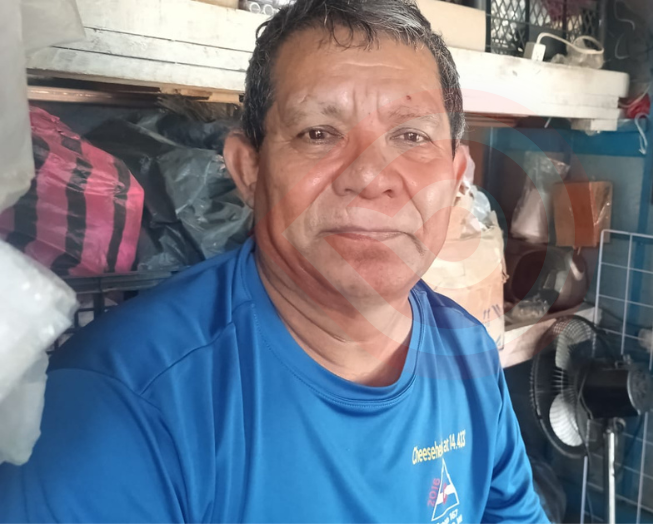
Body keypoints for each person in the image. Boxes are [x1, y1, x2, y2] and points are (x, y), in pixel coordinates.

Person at [0, 0, 548, 521]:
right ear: (249, 171)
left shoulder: (468, 353)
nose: (370, 175)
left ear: (454, 178)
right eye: (318, 133)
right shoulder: (119, 405)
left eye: (411, 135)